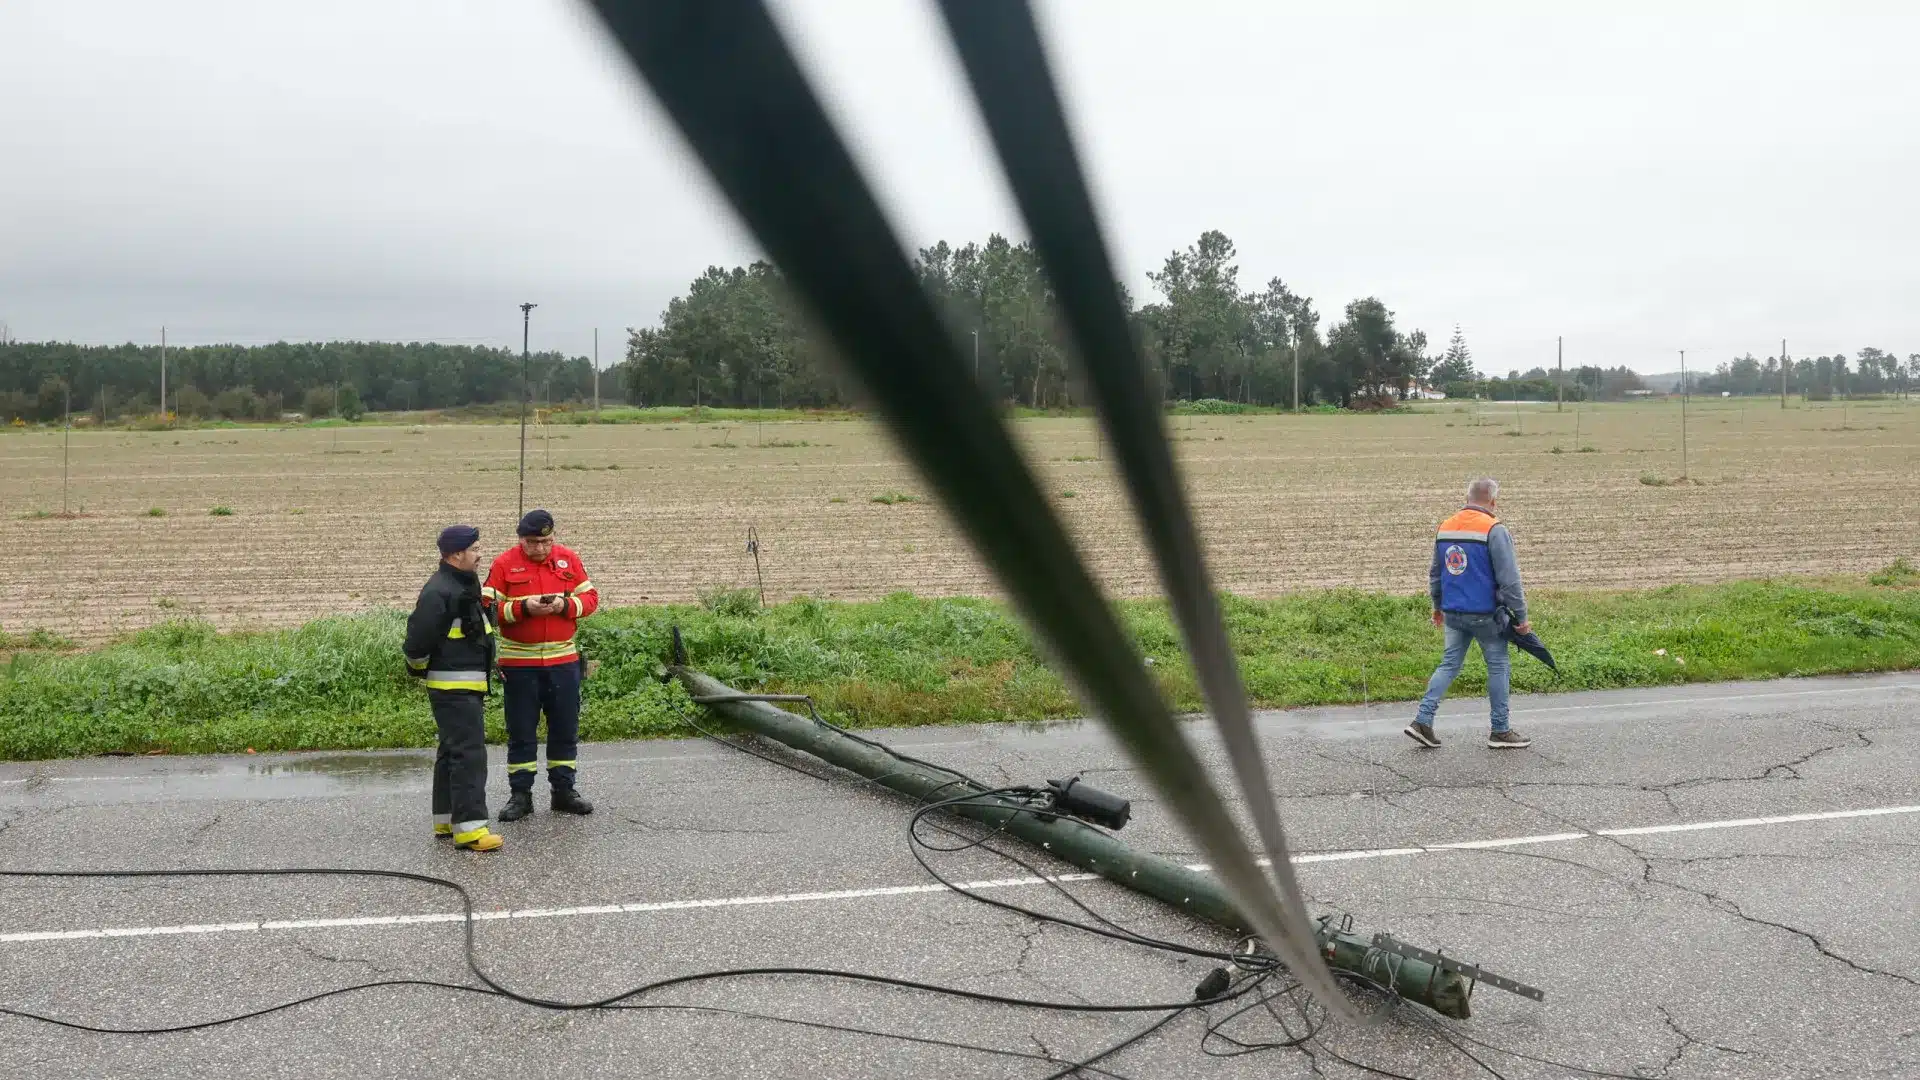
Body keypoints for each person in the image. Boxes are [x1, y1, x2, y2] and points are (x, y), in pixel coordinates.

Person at [484, 509, 599, 820]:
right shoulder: (504, 564)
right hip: (520, 664)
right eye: (533, 542)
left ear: (554, 538)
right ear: (521, 539)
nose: (540, 549)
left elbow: (590, 600)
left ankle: (564, 791)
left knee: (565, 729)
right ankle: (520, 796)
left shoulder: (568, 559)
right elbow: (487, 610)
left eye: (546, 542)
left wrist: (564, 605)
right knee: (521, 732)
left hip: (564, 662)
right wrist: (523, 609)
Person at [1405, 477, 1534, 750]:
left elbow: (1435, 573)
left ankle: (1422, 721)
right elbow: (1509, 580)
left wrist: (1437, 606)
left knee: (1449, 664)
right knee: (1498, 666)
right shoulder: (1494, 529)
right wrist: (1521, 617)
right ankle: (1500, 730)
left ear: (1467, 497)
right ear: (1492, 500)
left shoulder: (1446, 527)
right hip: (1486, 614)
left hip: (1453, 611)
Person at [404, 525, 504, 851]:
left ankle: (446, 821)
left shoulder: (462, 583)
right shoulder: (439, 591)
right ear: (456, 554)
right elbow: (416, 645)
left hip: (464, 683)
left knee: (451, 752)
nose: (480, 554)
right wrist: (421, 669)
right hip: (453, 688)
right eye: (475, 548)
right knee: (469, 755)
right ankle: (471, 830)